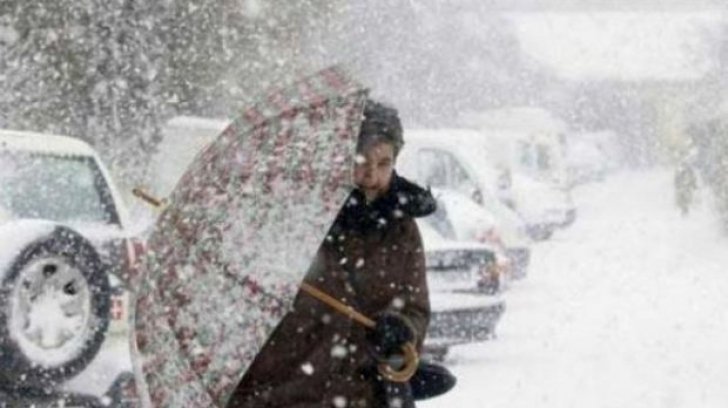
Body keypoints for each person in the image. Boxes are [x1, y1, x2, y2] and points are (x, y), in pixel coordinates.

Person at [227, 100, 436, 407]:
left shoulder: (401, 229)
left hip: (368, 396)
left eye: (384, 163)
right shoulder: (295, 219)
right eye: (361, 161)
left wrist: (402, 330)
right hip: (292, 393)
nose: (372, 176)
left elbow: (416, 307)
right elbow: (257, 312)